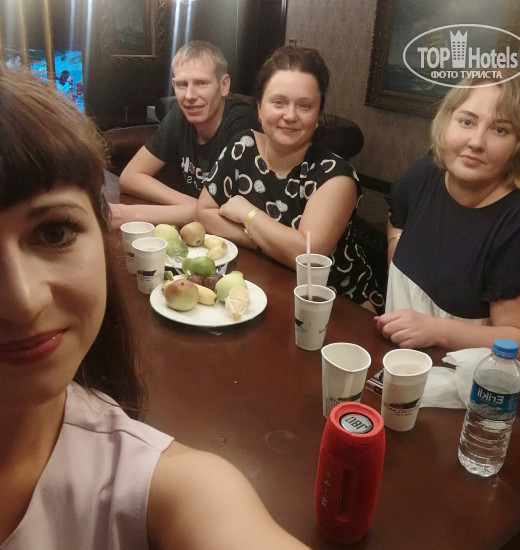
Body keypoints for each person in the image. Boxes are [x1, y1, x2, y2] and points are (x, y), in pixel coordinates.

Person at [0, 68, 309, 549]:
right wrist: (205, 210)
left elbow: (305, 250)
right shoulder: (217, 141)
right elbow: (196, 207)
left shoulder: (163, 485)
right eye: (181, 84)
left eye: (53, 232)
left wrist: (239, 214)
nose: (22, 300)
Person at [375, 72, 520, 405]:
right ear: (446, 122)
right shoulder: (423, 175)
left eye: (500, 130)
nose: (477, 142)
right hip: (410, 373)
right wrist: (396, 250)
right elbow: (396, 220)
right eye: (467, 121)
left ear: (519, 143)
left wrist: (436, 330)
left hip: (491, 405)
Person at [195, 46, 384, 312]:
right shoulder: (243, 146)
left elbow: (306, 257)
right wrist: (271, 242)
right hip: (265, 285)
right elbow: (204, 213)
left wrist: (247, 214)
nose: (290, 115)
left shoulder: (335, 176)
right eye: (279, 102)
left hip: (335, 306)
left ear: (317, 115)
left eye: (305, 106)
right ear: (259, 108)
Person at [110, 41, 259, 228]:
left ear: (224, 85)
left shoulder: (243, 125)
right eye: (182, 84)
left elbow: (232, 214)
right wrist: (199, 206)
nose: (189, 96)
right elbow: (129, 178)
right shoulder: (180, 115)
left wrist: (130, 214)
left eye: (201, 83)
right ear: (174, 85)